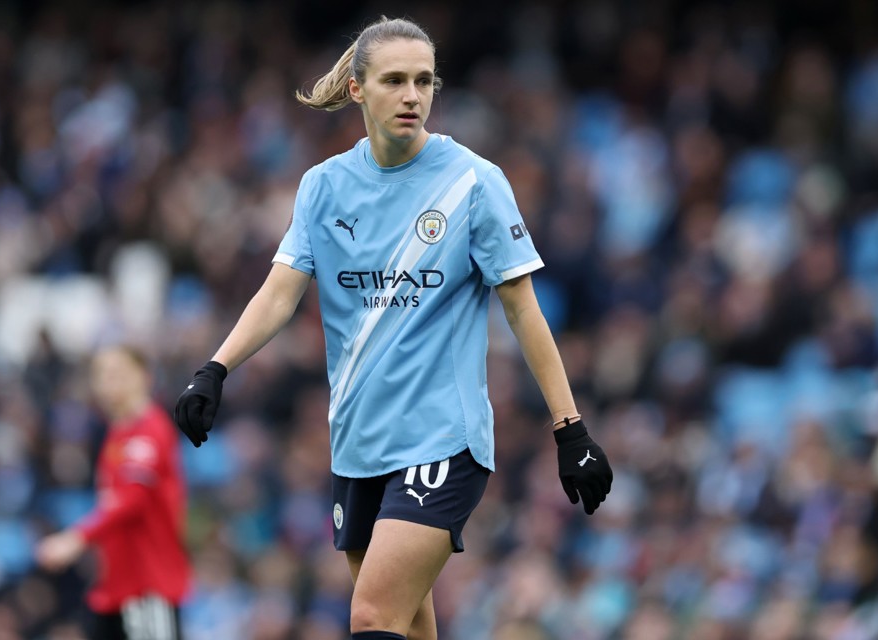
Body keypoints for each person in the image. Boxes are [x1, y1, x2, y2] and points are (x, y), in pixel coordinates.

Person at [174, 16, 613, 640]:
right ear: (358, 89)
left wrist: (570, 429)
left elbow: (523, 309)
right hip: (357, 443)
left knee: (372, 616)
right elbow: (278, 294)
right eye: (395, 80)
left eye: (424, 81)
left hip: (442, 440)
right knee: (406, 626)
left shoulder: (473, 182)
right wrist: (215, 369)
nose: (413, 96)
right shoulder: (323, 186)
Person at [38, 346, 189, 640]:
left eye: (118, 372)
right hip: (116, 589)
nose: (108, 381)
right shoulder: (117, 435)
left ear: (144, 377)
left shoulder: (150, 430)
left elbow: (132, 500)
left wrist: (76, 538)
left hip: (147, 588)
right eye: (101, 374)